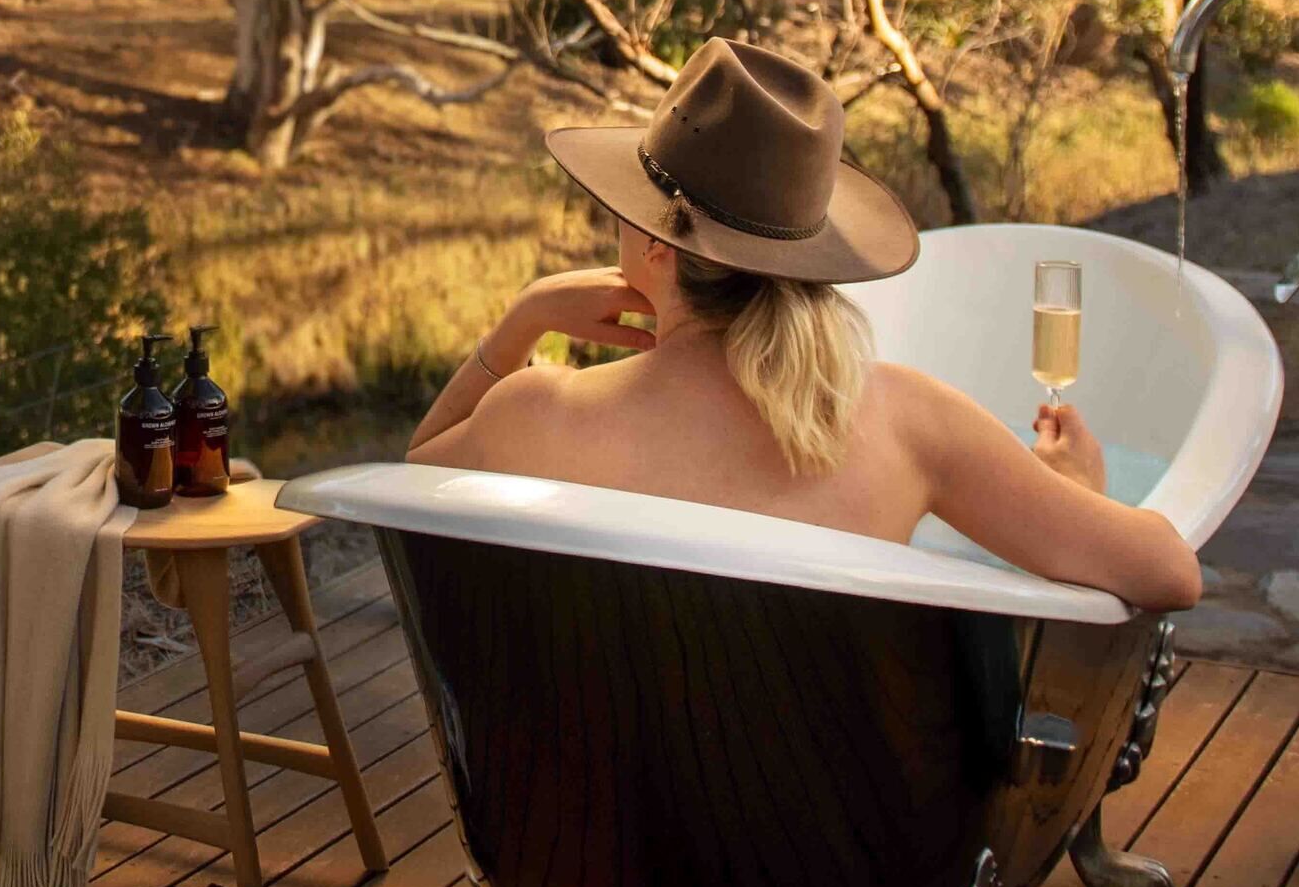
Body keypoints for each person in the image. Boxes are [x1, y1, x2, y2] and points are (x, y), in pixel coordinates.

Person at [409, 37, 1201, 612]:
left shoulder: (538, 413)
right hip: (834, 828)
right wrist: (1078, 494)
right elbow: (1168, 571)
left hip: (595, 829)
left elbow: (414, 478)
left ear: (655, 240)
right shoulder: (908, 420)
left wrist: (523, 321)